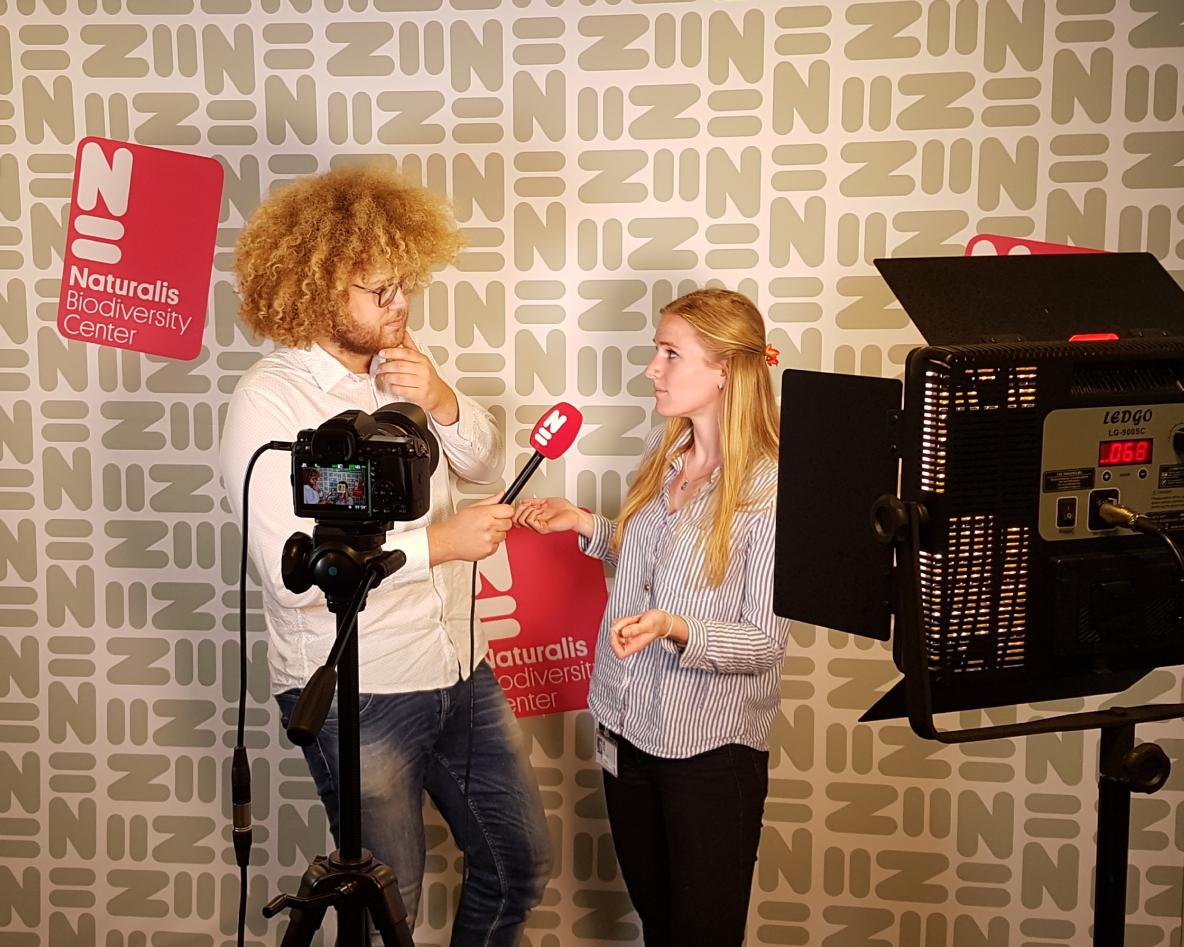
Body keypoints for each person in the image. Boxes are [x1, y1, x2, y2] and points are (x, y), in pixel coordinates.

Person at [218, 164, 550, 945]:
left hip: (458, 666)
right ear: (317, 287)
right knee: (386, 906)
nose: (400, 304)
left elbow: (484, 465)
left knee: (518, 865)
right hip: (361, 692)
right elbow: (294, 572)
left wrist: (441, 398)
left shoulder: (403, 370)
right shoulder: (271, 401)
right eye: (380, 290)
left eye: (405, 285)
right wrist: (442, 543)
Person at [514, 288, 788, 947]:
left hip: (707, 752)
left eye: (670, 353)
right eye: (655, 352)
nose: (651, 368)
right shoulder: (666, 458)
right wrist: (585, 524)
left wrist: (674, 627)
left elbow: (764, 642)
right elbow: (653, 562)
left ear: (724, 370)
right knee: (658, 926)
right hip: (625, 727)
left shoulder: (773, 490)